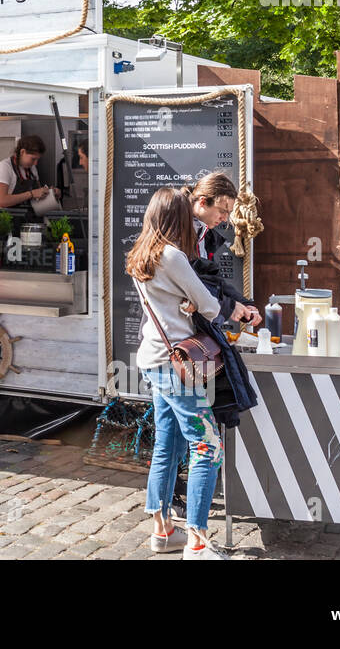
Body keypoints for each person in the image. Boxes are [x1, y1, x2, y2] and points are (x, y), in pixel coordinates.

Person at [127, 187, 251, 559]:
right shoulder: (174, 256)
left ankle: (163, 531)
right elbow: (212, 307)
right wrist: (193, 303)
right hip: (177, 367)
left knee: (168, 445)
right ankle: (197, 541)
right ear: (178, 216)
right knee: (207, 446)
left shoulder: (141, 253)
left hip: (153, 360)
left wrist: (187, 303)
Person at [181, 174, 261, 327]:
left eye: (228, 213)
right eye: (222, 211)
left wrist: (243, 303)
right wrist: (229, 306)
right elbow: (189, 284)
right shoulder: (178, 234)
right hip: (175, 332)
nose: (225, 219)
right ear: (203, 202)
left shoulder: (204, 235)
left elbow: (212, 281)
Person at [0, 135, 57, 209]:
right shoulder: (4, 167)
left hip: (28, 217)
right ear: (22, 152)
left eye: (37, 160)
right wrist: (31, 194)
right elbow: (1, 201)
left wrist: (50, 194)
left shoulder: (32, 169)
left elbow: (38, 196)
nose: (35, 163)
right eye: (33, 159)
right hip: (9, 218)